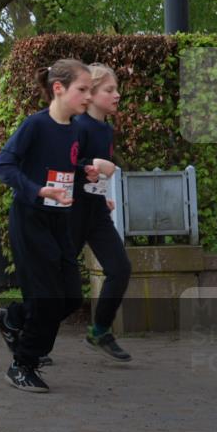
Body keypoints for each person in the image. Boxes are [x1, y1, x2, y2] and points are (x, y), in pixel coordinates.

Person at [0, 59, 114, 393]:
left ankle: (13, 319)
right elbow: (4, 165)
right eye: (82, 90)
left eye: (90, 90)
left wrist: (85, 172)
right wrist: (38, 190)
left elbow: (67, 167)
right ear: (58, 88)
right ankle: (22, 364)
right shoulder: (36, 125)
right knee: (47, 299)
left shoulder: (75, 129)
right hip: (30, 219)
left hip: (60, 220)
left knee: (71, 297)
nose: (88, 97)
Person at [72, 63, 132, 361]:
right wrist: (92, 165)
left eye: (117, 89)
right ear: (91, 94)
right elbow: (67, 165)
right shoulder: (77, 126)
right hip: (70, 213)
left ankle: (100, 331)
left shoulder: (106, 130)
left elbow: (98, 175)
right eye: (110, 90)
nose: (117, 95)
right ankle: (18, 325)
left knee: (120, 269)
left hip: (95, 212)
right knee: (57, 281)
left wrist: (103, 195)